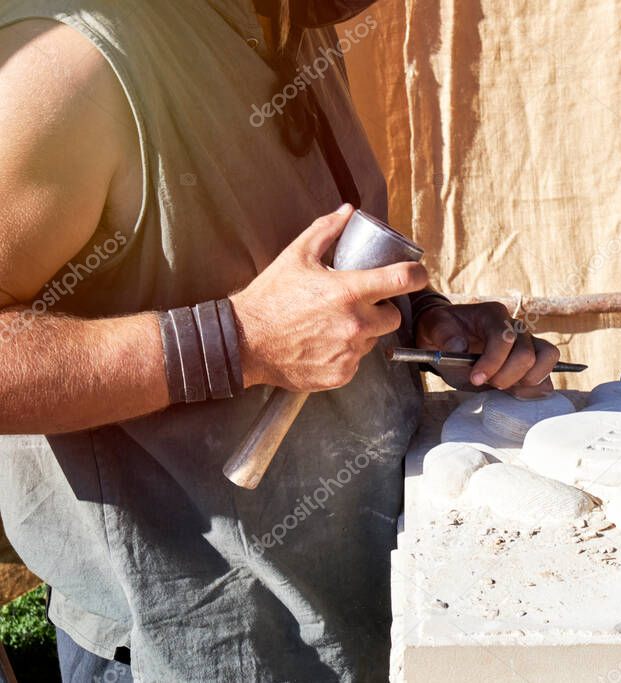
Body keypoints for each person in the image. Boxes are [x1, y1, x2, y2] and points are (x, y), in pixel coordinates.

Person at [0, 1, 559, 680]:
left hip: (355, 612)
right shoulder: (74, 68)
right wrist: (237, 342)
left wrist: (428, 321)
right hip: (188, 643)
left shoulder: (295, 23)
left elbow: (295, 266)